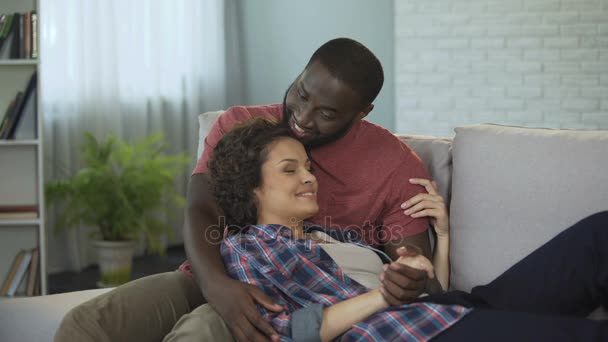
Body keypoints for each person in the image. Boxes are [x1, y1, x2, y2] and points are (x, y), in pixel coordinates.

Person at [55, 38, 440, 342]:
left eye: (326, 113)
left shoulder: (395, 164)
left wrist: (410, 273)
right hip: (212, 273)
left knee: (202, 332)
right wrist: (217, 285)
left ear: (362, 112)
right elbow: (201, 209)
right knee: (88, 326)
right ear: (300, 75)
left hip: (297, 299)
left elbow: (411, 262)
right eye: (301, 94)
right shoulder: (242, 124)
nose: (302, 119)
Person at [212, 118, 608, 341]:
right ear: (250, 184)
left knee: (599, 234)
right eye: (290, 169)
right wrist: (384, 295)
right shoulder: (246, 247)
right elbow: (287, 333)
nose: (309, 178)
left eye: (309, 168)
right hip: (405, 336)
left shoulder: (332, 235)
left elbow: (427, 291)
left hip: (442, 311)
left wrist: (444, 237)